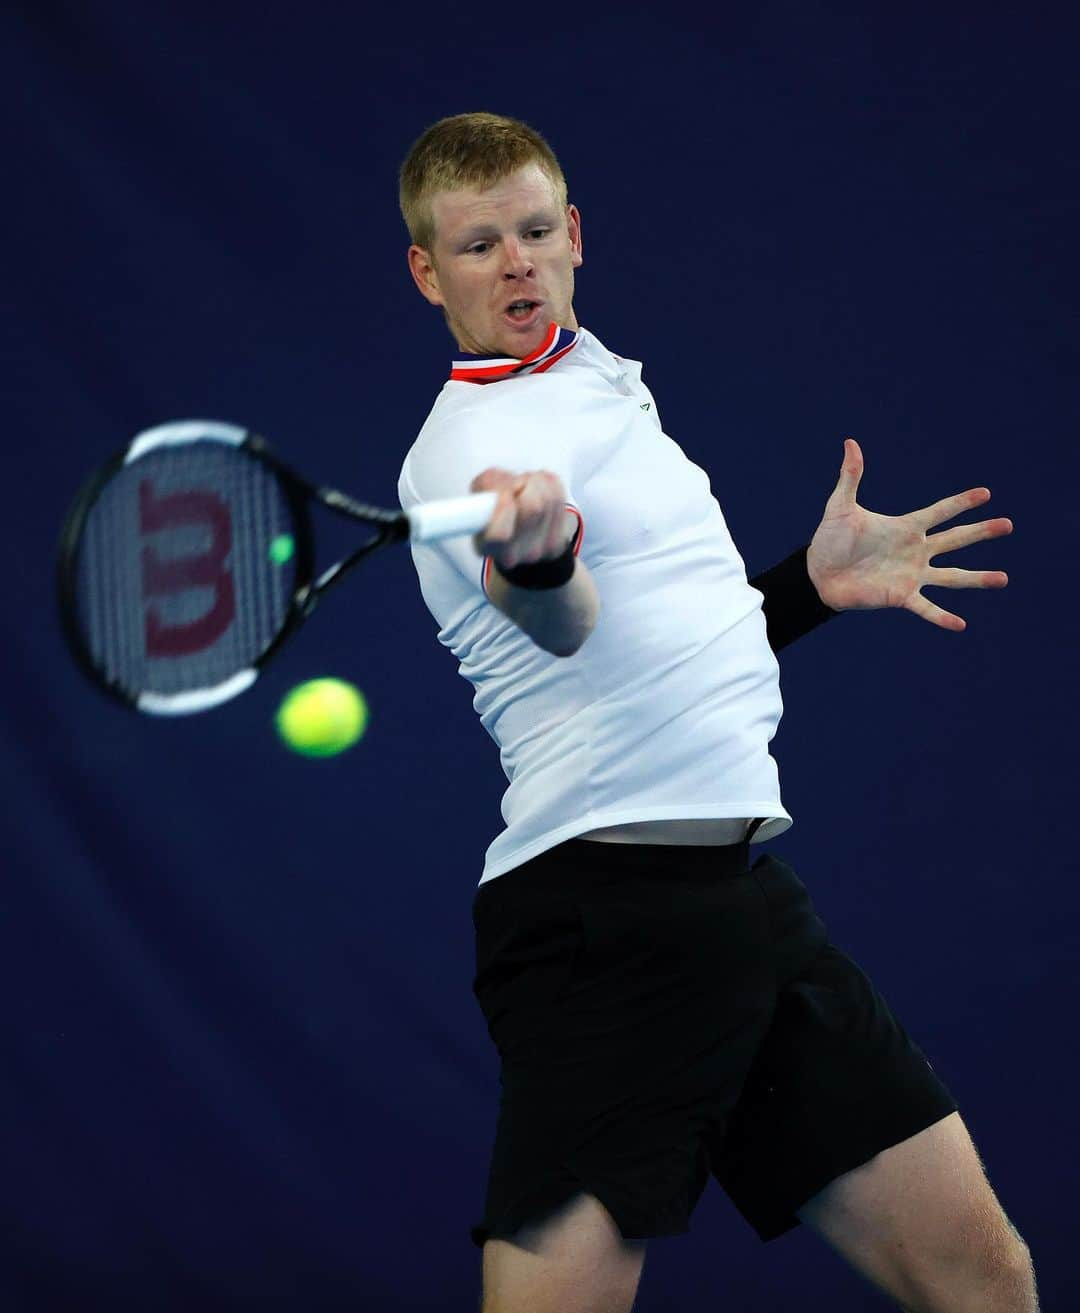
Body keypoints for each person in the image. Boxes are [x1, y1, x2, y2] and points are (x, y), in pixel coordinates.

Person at [396, 112, 1036, 1313]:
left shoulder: (596, 380)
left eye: (535, 231)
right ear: (430, 273)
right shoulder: (466, 455)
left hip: (742, 899)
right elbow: (565, 622)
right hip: (600, 924)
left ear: (574, 234)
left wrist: (808, 584)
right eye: (479, 246)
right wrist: (535, 558)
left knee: (985, 1277)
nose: (518, 262)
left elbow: (654, 650)